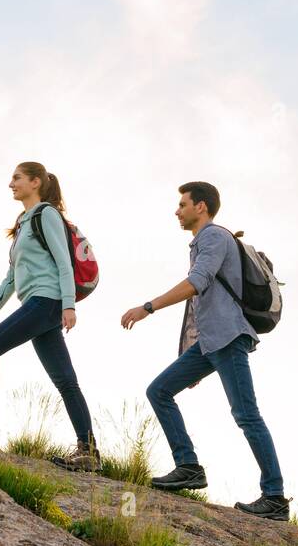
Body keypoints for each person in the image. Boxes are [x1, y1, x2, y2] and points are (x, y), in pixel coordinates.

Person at [120, 181, 289, 520]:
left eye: (182, 204)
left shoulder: (214, 237)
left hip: (228, 338)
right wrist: (192, 353)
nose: (177, 210)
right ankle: (188, 467)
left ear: (201, 207)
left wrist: (148, 307)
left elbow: (196, 284)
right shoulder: (201, 242)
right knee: (160, 391)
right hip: (209, 343)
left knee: (246, 414)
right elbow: (201, 303)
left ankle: (274, 497)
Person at [0, 161, 100, 471]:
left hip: (47, 302)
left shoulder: (47, 215)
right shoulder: (23, 225)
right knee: (66, 381)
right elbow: (10, 280)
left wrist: (69, 305)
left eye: (17, 178)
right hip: (38, 305)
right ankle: (89, 453)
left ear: (35, 182)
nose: (11, 184)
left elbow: (64, 263)